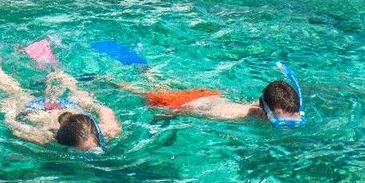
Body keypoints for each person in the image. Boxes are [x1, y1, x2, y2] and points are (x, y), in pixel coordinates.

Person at [0, 54, 120, 152]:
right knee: (16, 94)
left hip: (70, 106)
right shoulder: (45, 137)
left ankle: (54, 71)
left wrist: (90, 104)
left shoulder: (109, 130)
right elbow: (14, 128)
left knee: (78, 93)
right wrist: (10, 113)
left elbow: (105, 110)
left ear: (96, 131)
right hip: (37, 111)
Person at [117, 70, 304, 127]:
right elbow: (192, 111)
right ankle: (108, 80)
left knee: (159, 83)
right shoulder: (228, 115)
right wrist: (164, 113)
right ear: (266, 113)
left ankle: (148, 73)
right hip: (187, 103)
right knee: (141, 90)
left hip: (211, 95)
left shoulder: (271, 107)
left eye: (294, 118)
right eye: (281, 121)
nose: (289, 125)